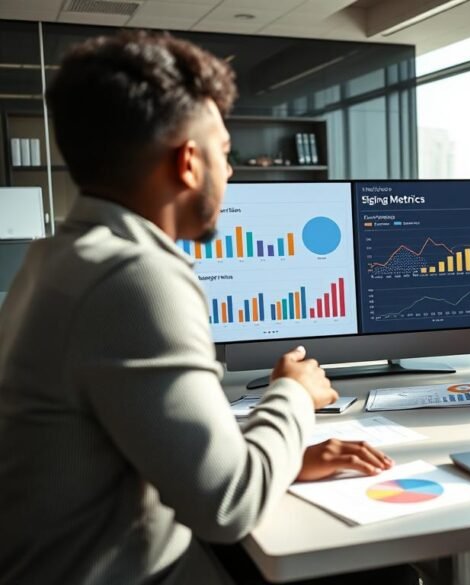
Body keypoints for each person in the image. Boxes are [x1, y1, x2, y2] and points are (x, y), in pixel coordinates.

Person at [0, 31, 415, 585]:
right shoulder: (135, 277)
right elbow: (227, 506)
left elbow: (152, 443)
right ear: (189, 163)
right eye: (224, 152)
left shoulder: (53, 259)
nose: (233, 171)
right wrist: (292, 394)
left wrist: (283, 454)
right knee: (380, 571)